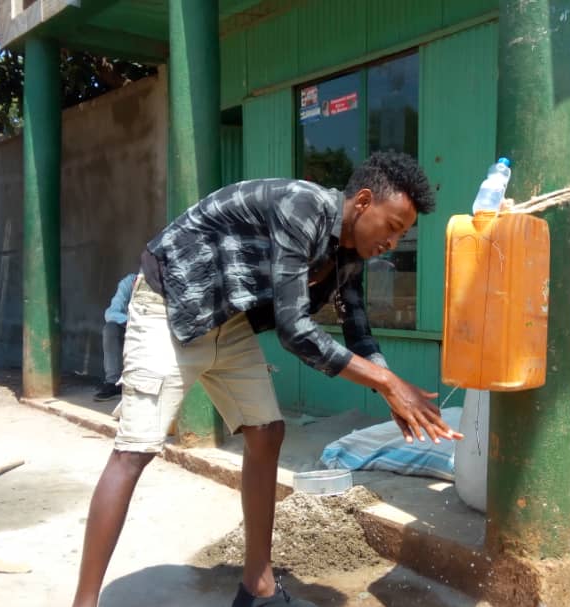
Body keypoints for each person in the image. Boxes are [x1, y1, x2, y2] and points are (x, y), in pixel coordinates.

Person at [71, 151, 463, 607]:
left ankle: (257, 588)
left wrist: (392, 385)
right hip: (170, 305)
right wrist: (386, 384)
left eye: (402, 234)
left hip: (226, 318)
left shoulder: (349, 253)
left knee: (267, 431)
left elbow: (357, 326)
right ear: (362, 202)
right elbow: (295, 329)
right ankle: (83, 602)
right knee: (134, 450)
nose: (394, 242)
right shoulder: (304, 206)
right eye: (393, 226)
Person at [94, 273, 136, 402]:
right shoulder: (130, 282)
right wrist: (133, 323)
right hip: (133, 327)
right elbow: (111, 312)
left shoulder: (166, 282)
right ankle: (114, 383)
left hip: (156, 332)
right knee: (111, 328)